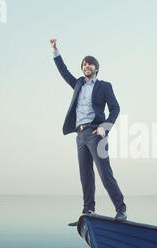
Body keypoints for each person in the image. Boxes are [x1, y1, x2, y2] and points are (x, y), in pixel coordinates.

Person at [49, 39, 127, 223]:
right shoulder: (78, 84)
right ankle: (88, 211)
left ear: (96, 68)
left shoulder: (104, 86)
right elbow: (63, 71)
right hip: (80, 135)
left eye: (89, 64)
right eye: (84, 64)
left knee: (104, 173)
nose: (86, 66)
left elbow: (115, 108)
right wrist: (55, 51)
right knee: (85, 176)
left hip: (95, 133)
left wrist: (104, 128)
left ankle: (121, 209)